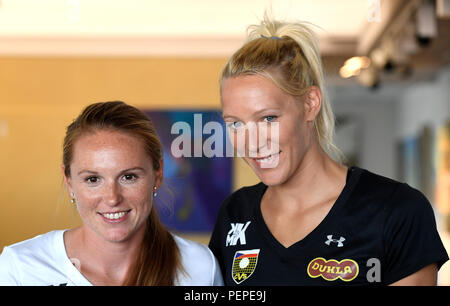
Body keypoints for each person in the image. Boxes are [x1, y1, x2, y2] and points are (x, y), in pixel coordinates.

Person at [208, 16, 449, 286]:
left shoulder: (396, 210)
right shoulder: (235, 214)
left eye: (268, 118)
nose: (252, 143)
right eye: (235, 124)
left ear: (310, 104)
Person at [0, 101, 223, 286]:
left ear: (158, 174)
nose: (112, 198)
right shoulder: (19, 267)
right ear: (69, 182)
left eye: (129, 177)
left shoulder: (200, 266)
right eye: (93, 179)